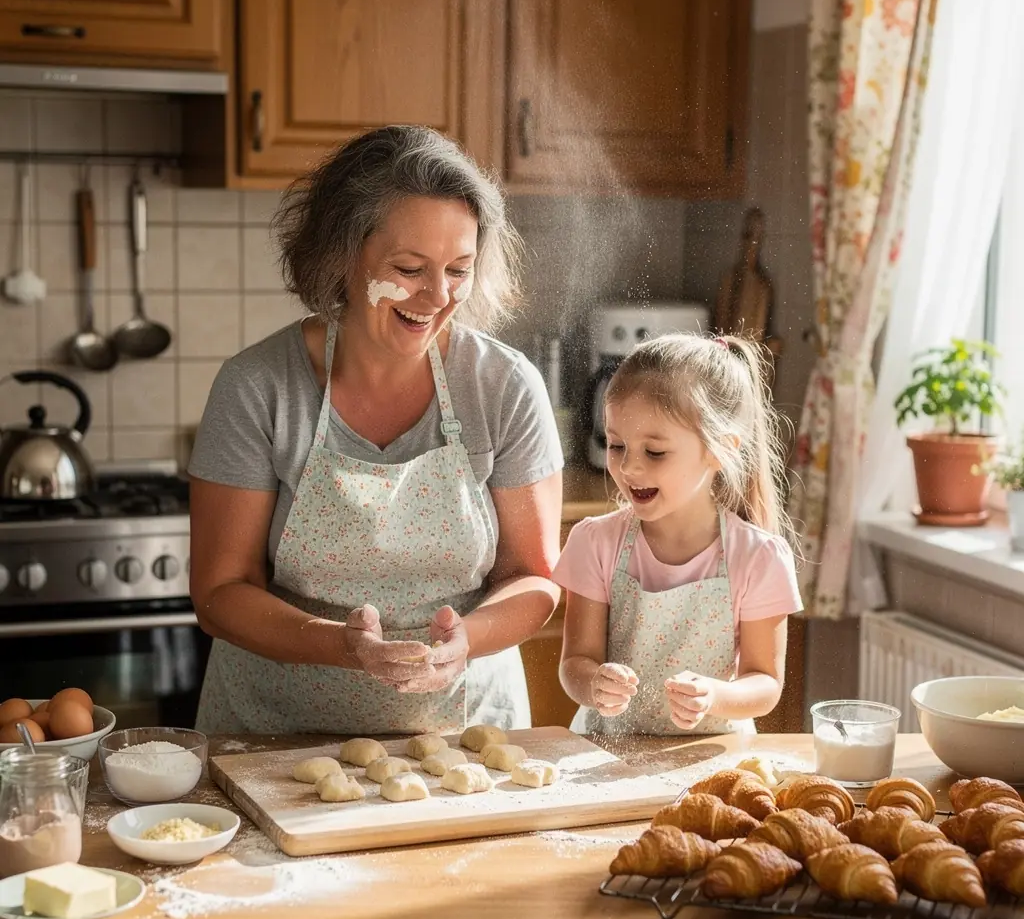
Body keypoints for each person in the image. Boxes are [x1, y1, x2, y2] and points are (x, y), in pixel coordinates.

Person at [188, 125, 564, 735]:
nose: (438, 296)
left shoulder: (503, 386)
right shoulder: (259, 386)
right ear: (343, 256)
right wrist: (345, 646)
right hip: (273, 741)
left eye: (459, 269)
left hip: (464, 741)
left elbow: (534, 578)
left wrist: (464, 641)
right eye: (409, 268)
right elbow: (221, 590)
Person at [554, 333, 801, 736]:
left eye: (654, 452)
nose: (630, 468)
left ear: (719, 450)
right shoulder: (594, 543)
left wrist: (714, 696)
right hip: (604, 751)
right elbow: (575, 663)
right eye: (617, 446)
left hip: (711, 759)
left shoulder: (758, 558)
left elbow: (766, 683)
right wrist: (594, 684)